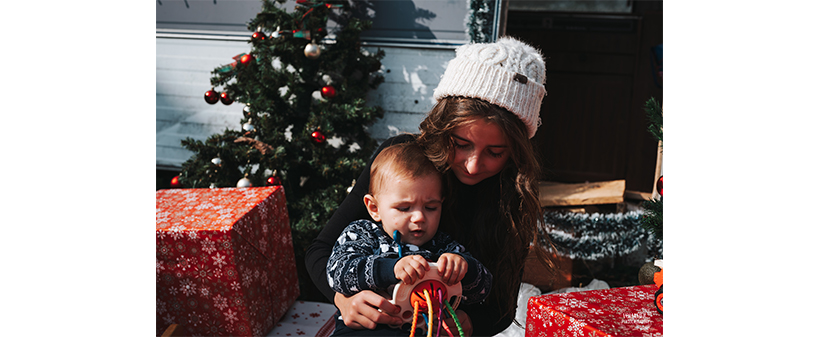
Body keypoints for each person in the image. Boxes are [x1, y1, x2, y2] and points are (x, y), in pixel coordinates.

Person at [305, 36, 555, 336]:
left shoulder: (511, 194)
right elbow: (321, 252)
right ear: (443, 125)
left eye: (495, 153)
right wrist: (344, 301)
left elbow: (501, 306)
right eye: (461, 144)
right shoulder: (401, 162)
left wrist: (470, 321)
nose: (473, 165)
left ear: (515, 153)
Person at [326, 142, 492, 336]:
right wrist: (390, 268)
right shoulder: (363, 233)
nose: (419, 217)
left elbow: (482, 291)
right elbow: (337, 273)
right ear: (374, 208)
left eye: (431, 208)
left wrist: (465, 268)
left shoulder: (443, 247)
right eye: (404, 208)